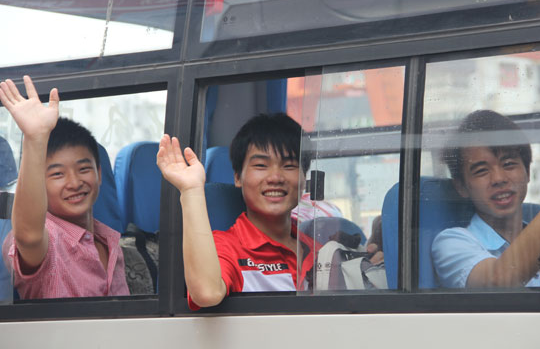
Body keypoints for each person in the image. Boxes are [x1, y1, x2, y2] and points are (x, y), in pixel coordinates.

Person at [157, 113, 314, 309]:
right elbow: (207, 293)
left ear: (304, 178)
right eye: (261, 166)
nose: (275, 177)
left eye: (289, 166)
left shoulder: (318, 249)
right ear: (238, 177)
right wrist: (191, 189)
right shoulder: (227, 247)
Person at [431, 109, 540, 289]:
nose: (499, 179)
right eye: (481, 171)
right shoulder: (452, 243)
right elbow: (499, 281)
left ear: (527, 172)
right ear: (461, 186)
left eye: (509, 164)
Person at [0, 76, 129, 298]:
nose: (75, 183)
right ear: (39, 184)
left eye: (83, 169)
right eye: (58, 174)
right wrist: (35, 139)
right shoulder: (47, 240)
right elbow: (29, 236)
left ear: (99, 173)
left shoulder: (111, 241)